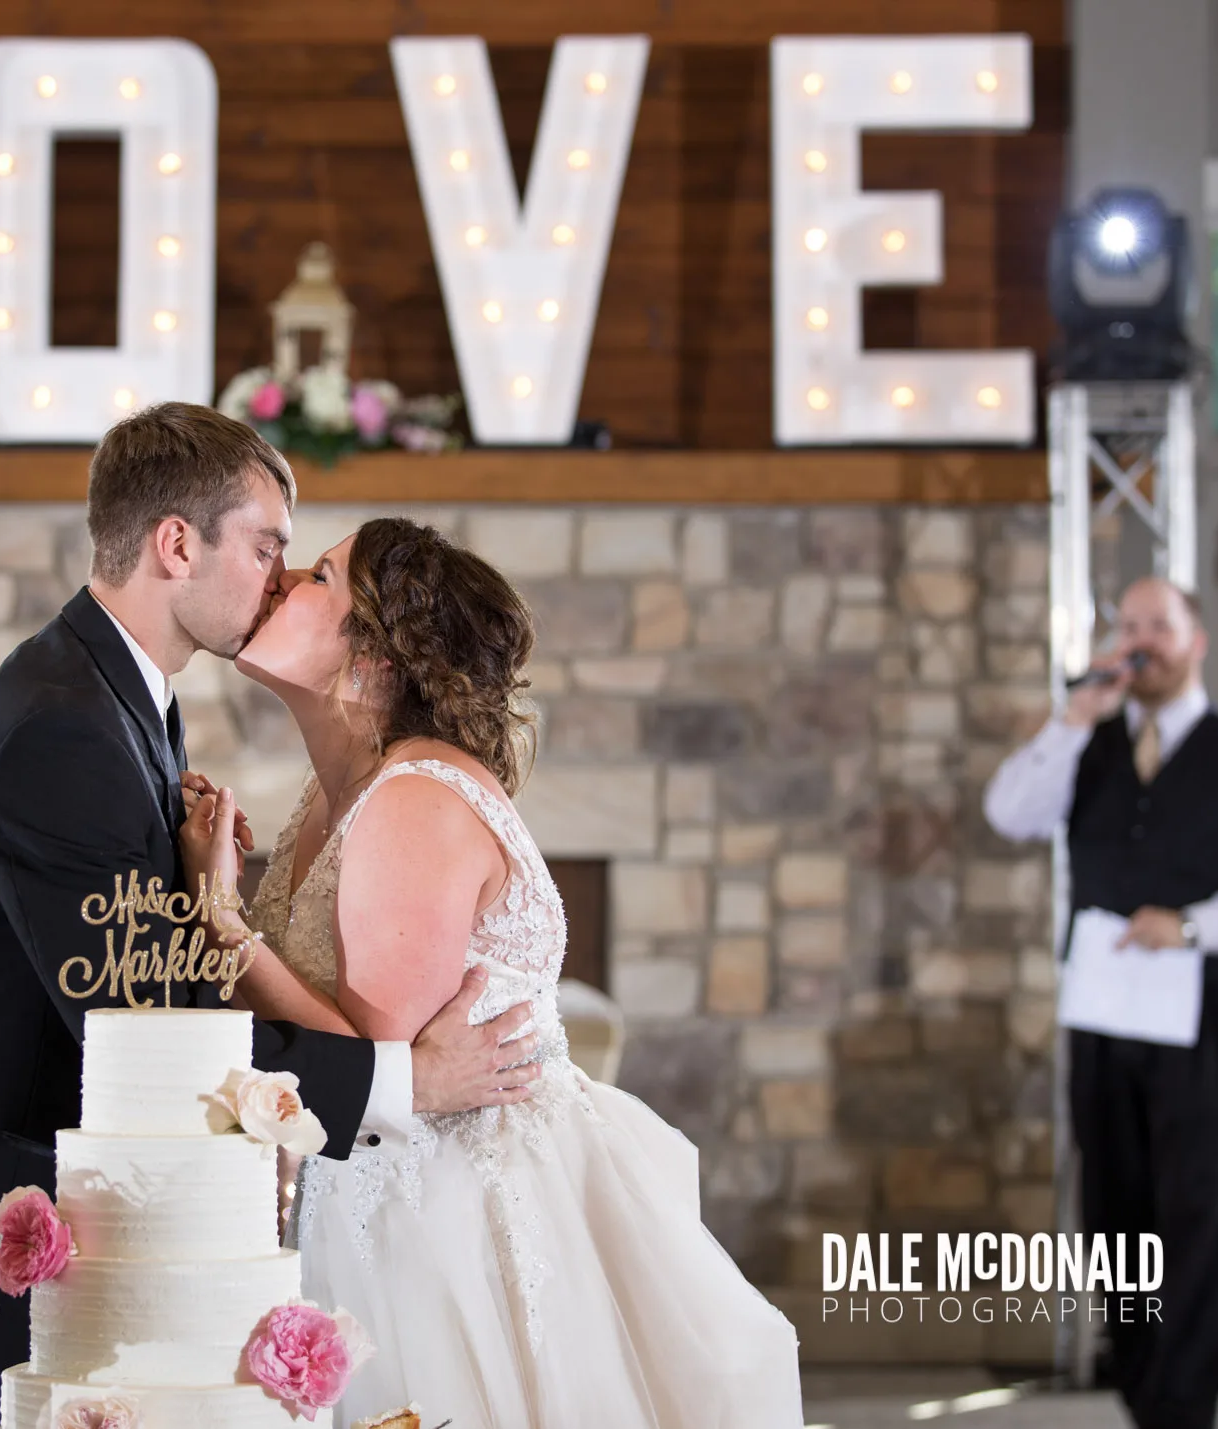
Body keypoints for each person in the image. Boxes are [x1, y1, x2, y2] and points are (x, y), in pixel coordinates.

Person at [0, 405, 540, 1428]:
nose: (278, 576)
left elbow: (156, 979)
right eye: (268, 546)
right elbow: (140, 1032)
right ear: (176, 543)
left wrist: (211, 906)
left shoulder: (121, 705)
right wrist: (406, 1080)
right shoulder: (62, 733)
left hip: (70, 1251)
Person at [181, 517, 805, 1428]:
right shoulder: (337, 790)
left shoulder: (414, 801)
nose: (280, 583)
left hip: (438, 1223)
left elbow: (376, 1062)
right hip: (367, 1186)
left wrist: (222, 921)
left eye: (317, 575)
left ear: (374, 660)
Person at [984, 576, 1218, 1429]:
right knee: (1117, 1214)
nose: (1142, 640)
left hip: (1203, 1011)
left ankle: (1184, 1403)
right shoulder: (1084, 743)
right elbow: (1009, 812)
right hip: (1104, 1013)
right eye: (1128, 626)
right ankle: (1139, 1386)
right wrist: (1072, 720)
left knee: (1196, 1205)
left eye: (1159, 625)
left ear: (1196, 639)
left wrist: (1194, 925)